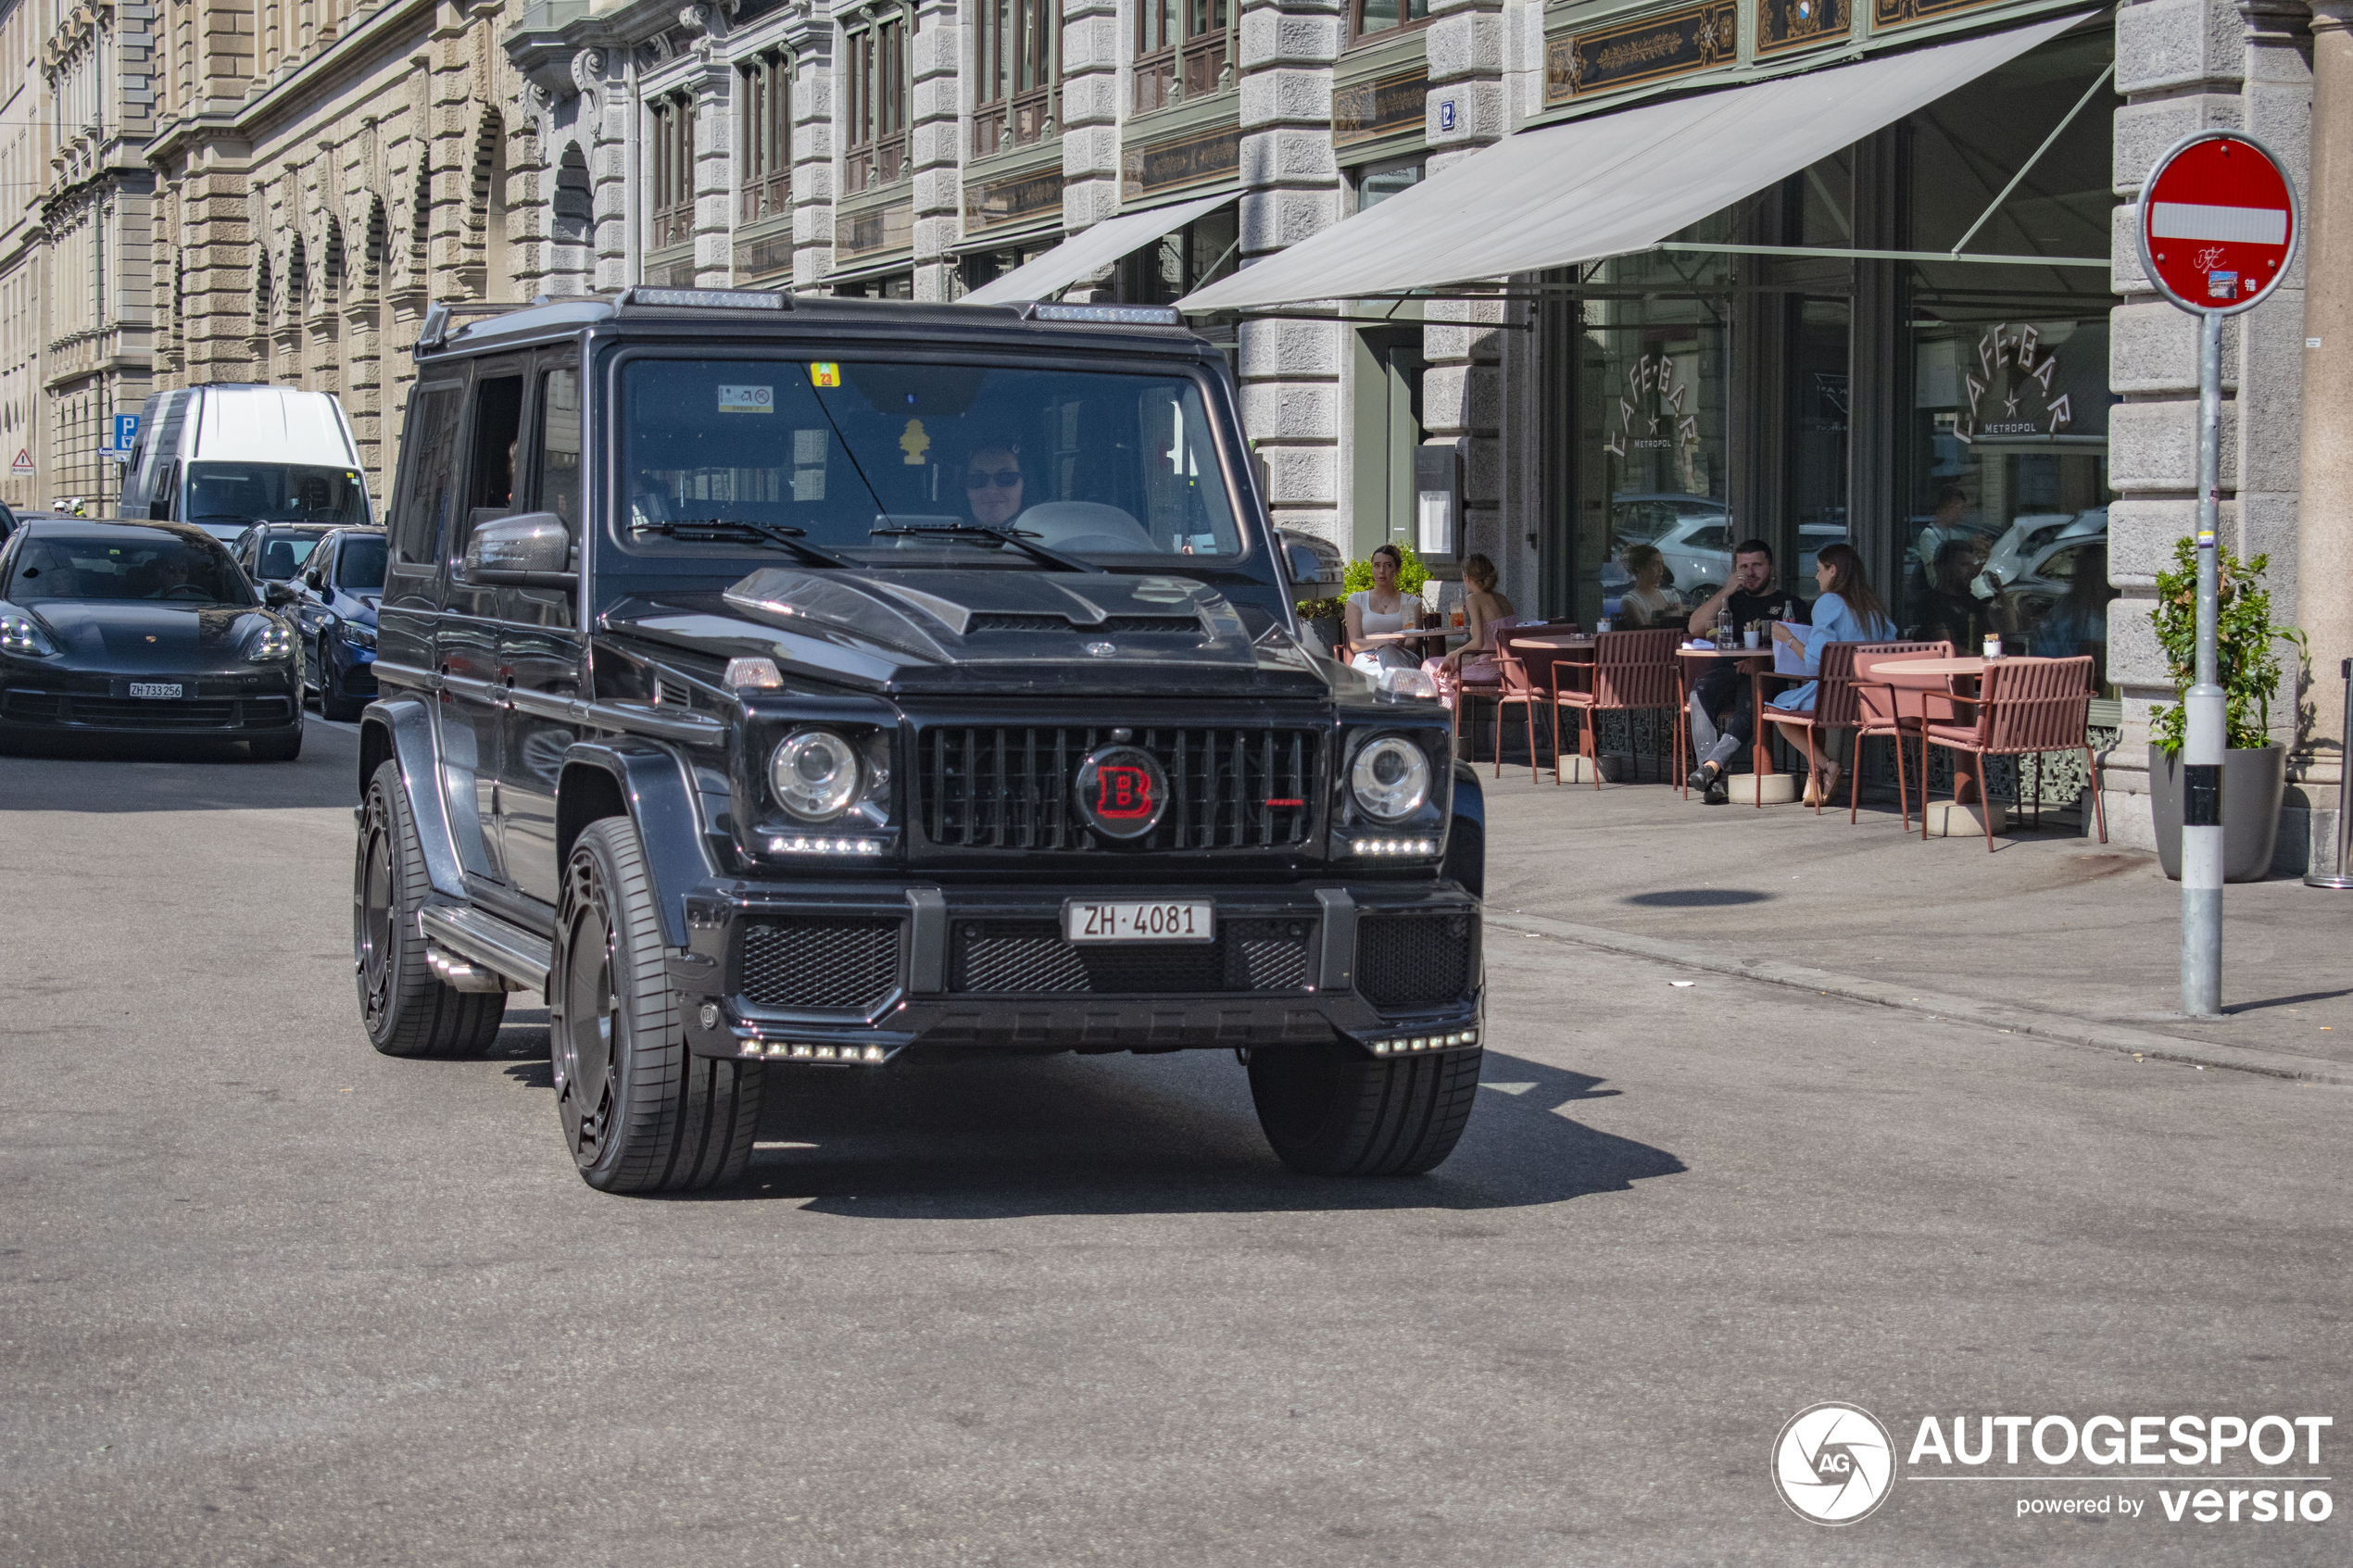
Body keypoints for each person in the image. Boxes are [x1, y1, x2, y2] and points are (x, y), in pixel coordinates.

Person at [1756, 543, 1899, 806]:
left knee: (1776, 711)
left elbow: (1815, 663)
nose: (1816, 576)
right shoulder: (1874, 608)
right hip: (1871, 701)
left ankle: (1826, 764)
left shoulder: (1829, 603)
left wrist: (1788, 639)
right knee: (1792, 704)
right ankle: (1823, 771)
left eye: (1819, 569)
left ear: (1832, 570)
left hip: (1833, 700)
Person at [1682, 538, 1808, 805]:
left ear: (1771, 567)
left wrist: (1763, 663)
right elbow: (1694, 627)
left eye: (1757, 565)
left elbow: (1802, 651)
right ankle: (1711, 775)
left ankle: (1710, 769)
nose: (1750, 573)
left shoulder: (1790, 604)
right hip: (1726, 671)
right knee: (1699, 693)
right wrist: (1725, 592)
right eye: (1743, 566)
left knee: (1751, 697)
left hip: (1768, 675)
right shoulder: (1731, 601)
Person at [1422, 553, 1518, 708]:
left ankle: (1438, 719)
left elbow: (1478, 642)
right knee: (1437, 664)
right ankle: (1441, 718)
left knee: (1433, 669)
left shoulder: (1474, 598)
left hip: (1491, 671)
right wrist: (1458, 661)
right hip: (1507, 669)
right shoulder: (1503, 599)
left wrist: (1452, 654)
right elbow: (1492, 649)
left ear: (1466, 577)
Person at [1345, 543, 1429, 671]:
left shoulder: (1409, 602)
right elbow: (1355, 644)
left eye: (1388, 565)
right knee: (1380, 665)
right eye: (1377, 565)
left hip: (1401, 655)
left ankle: (1387, 688)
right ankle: (1393, 689)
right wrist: (1383, 643)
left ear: (1397, 570)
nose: (1381, 571)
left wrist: (1389, 647)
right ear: (1372, 569)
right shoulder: (1357, 600)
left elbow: (1411, 642)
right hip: (1367, 656)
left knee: (1388, 656)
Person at [1617, 543, 1682, 629]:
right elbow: (1642, 633)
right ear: (1640, 568)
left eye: (1661, 564)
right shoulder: (1631, 601)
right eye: (1655, 564)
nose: (1660, 569)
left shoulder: (1672, 597)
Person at [963, 445, 1026, 528]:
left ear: (1024, 485)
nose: (991, 489)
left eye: (1006, 477)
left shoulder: (1046, 537)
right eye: (978, 479)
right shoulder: (943, 537)